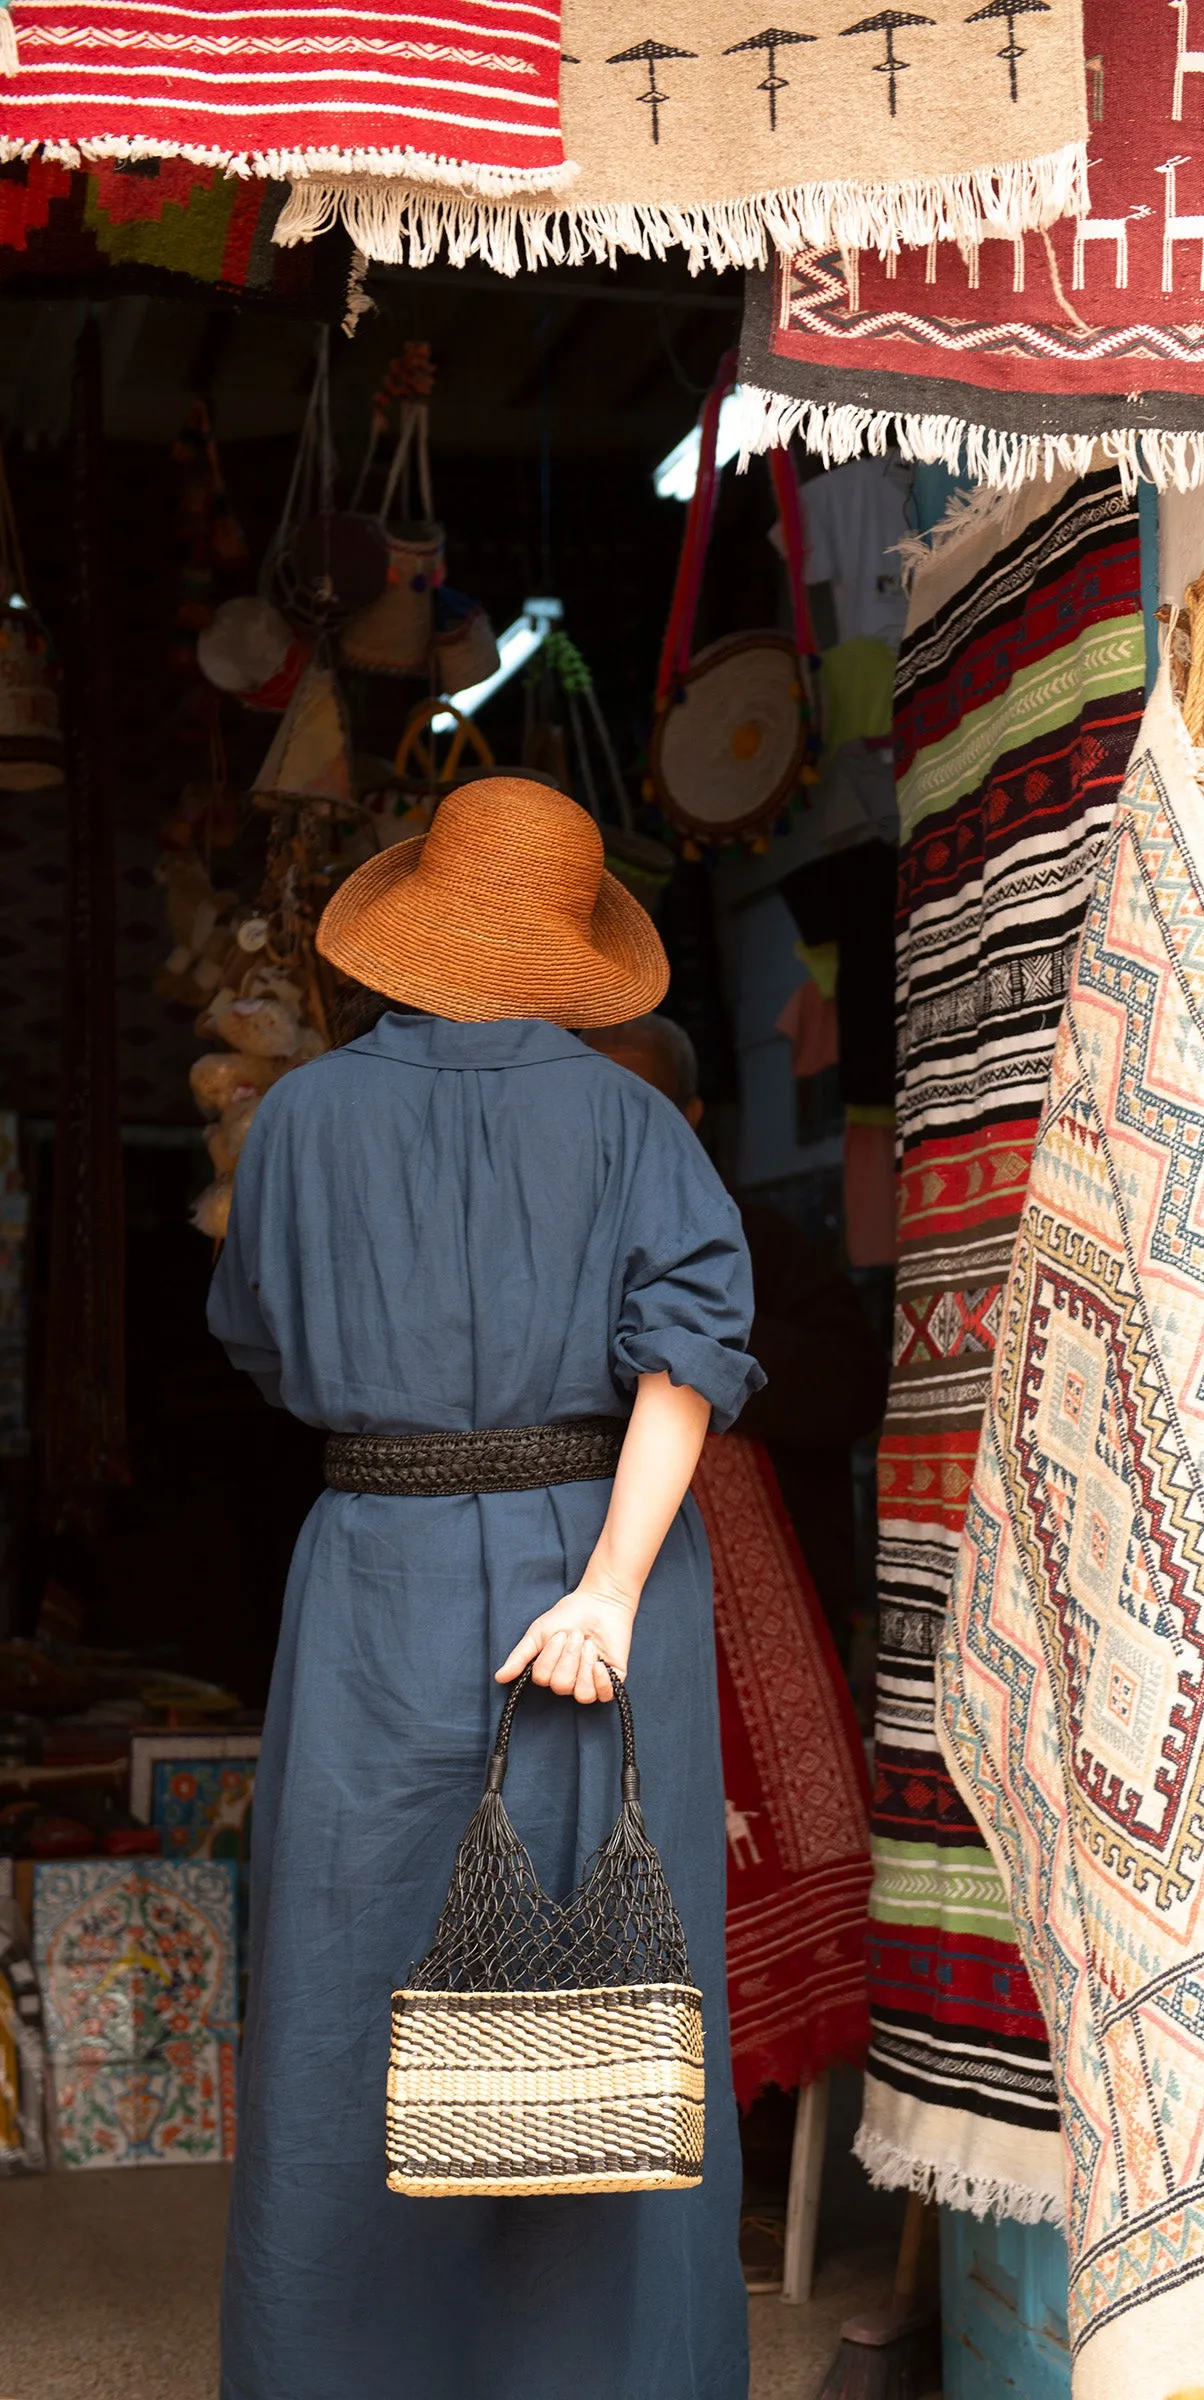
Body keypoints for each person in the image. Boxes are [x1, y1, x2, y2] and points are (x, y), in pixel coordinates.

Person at [207, 779, 763, 2400]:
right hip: (595, 1583)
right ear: (570, 951)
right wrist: (601, 1588)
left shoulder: (296, 1122)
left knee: (346, 1977)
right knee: (603, 1965)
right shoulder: (631, 1121)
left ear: (417, 938)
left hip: (370, 1578)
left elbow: (258, 1344)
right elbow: (691, 1360)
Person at [580, 1015, 888, 1656]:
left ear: (688, 1115)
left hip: (763, 1610)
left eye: (642, 1107)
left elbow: (853, 1389)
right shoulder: (546, 1251)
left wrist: (701, 1337)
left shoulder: (760, 1241)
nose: (615, 1133)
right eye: (594, 1107)